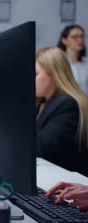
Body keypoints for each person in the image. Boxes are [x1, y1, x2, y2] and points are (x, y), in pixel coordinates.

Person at [35, 47, 88, 176]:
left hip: (64, 180)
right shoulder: (42, 103)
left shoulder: (67, 104)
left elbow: (46, 152)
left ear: (53, 74)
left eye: (36, 74)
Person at [57, 25, 88, 95]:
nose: (80, 40)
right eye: (74, 37)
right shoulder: (58, 62)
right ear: (64, 40)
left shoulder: (86, 63)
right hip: (65, 103)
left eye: (81, 36)